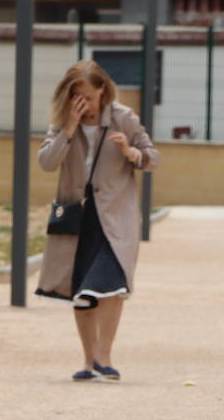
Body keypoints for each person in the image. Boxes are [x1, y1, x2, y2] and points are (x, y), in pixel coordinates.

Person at [34, 61, 159, 381]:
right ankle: (89, 362)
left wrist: (131, 152)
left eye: (89, 97)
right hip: (78, 218)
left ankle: (104, 356)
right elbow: (47, 163)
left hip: (115, 217)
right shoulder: (65, 121)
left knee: (111, 284)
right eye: (78, 97)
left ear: (103, 90)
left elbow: (151, 157)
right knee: (81, 291)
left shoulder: (123, 117)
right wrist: (69, 129)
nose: (85, 104)